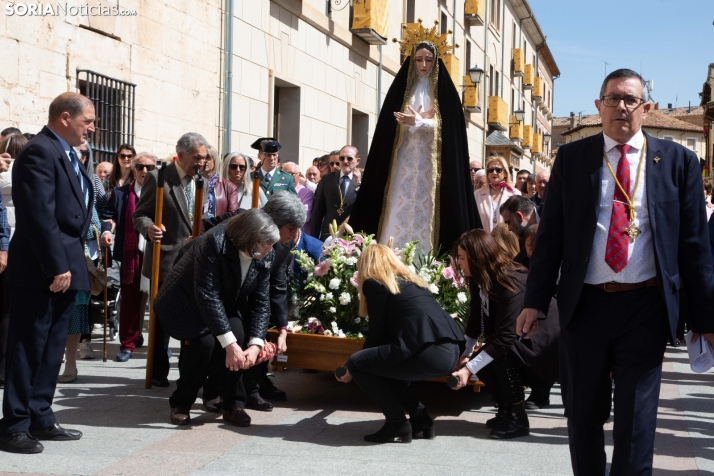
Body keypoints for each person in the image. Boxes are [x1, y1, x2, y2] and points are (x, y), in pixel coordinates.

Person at [517, 69, 714, 475]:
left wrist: (706, 318)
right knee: (583, 415)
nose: (621, 107)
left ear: (646, 108)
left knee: (637, 420)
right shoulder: (572, 159)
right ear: (598, 106)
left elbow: (696, 246)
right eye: (613, 99)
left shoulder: (679, 162)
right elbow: (550, 236)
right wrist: (534, 301)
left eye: (630, 100)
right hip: (584, 306)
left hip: (646, 306)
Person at [0, 92, 95, 454]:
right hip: (43, 268)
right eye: (87, 120)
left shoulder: (67, 153)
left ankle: (41, 413)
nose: (91, 128)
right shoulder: (40, 150)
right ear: (66, 117)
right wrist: (57, 265)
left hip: (68, 265)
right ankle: (14, 425)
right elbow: (39, 215)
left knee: (52, 347)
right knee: (28, 347)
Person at [349, 33, 479, 253]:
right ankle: (390, 254)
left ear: (435, 61)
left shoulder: (445, 94)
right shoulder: (401, 91)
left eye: (428, 59)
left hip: (430, 167)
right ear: (412, 60)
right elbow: (386, 129)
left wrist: (422, 122)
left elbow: (451, 131)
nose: (424, 64)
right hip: (403, 163)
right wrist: (407, 123)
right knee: (396, 204)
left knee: (427, 208)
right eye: (419, 59)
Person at [154, 209, 277, 426]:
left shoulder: (267, 253)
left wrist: (256, 343)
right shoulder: (213, 242)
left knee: (239, 335)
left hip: (227, 301)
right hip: (189, 303)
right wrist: (229, 345)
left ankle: (234, 404)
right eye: (265, 243)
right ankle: (181, 402)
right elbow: (207, 295)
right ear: (249, 238)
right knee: (204, 344)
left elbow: (261, 301)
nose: (271, 249)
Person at [336, 244, 464, 443]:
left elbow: (377, 335)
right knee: (387, 366)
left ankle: (396, 422)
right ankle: (421, 419)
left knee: (360, 363)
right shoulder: (412, 283)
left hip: (427, 354)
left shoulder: (374, 284)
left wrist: (350, 366)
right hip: (449, 353)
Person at [449, 230, 559, 439]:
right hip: (520, 340)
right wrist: (466, 354)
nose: (460, 264)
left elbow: (505, 338)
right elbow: (476, 317)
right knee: (486, 359)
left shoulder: (510, 281)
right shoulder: (481, 278)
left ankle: (518, 419)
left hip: (544, 344)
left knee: (500, 355)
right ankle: (505, 410)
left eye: (462, 259)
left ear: (477, 258)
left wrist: (469, 369)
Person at [133, 132, 208, 387]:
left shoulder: (202, 182)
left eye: (205, 158)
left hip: (193, 261)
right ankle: (157, 372)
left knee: (193, 318)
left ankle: (188, 373)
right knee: (161, 319)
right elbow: (140, 214)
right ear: (182, 154)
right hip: (164, 260)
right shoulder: (159, 178)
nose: (202, 163)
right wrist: (149, 228)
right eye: (197, 157)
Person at [109, 153, 157, 362]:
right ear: (134, 170)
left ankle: (158, 345)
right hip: (131, 256)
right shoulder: (120, 194)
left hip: (156, 253)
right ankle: (127, 343)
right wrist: (106, 228)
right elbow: (108, 215)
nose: (145, 171)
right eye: (140, 166)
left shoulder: (163, 193)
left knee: (158, 302)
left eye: (150, 167)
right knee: (129, 301)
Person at [311, 145, 360, 240]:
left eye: (349, 158)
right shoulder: (326, 179)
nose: (345, 161)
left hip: (352, 235)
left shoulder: (363, 180)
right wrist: (313, 239)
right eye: (342, 158)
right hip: (328, 235)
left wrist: (358, 185)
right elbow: (317, 212)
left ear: (357, 161)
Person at [475, 155, 520, 234]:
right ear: (487, 173)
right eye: (490, 170)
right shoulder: (477, 194)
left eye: (498, 170)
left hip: (506, 241)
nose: (494, 173)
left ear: (505, 173)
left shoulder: (515, 194)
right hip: (484, 242)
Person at [500, 195, 537, 268]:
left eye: (509, 222)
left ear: (519, 216)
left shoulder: (553, 217)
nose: (509, 229)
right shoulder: (521, 237)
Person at [203, 146, 239, 218]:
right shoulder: (192, 182)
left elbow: (232, 215)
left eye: (208, 157)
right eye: (201, 157)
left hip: (216, 227)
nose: (204, 160)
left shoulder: (229, 187)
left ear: (215, 160)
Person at [281, 161, 313, 234]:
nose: (289, 176)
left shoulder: (306, 192)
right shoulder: (278, 190)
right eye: (286, 174)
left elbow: (305, 217)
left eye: (292, 174)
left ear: (298, 175)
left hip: (299, 234)